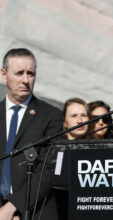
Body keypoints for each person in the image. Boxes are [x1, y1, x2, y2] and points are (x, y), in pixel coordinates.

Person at [0, 48, 62, 220]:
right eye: (19, 73)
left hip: (35, 211)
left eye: (31, 74)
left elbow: (48, 169)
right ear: (4, 75)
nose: (25, 80)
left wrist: (12, 207)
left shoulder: (51, 116)